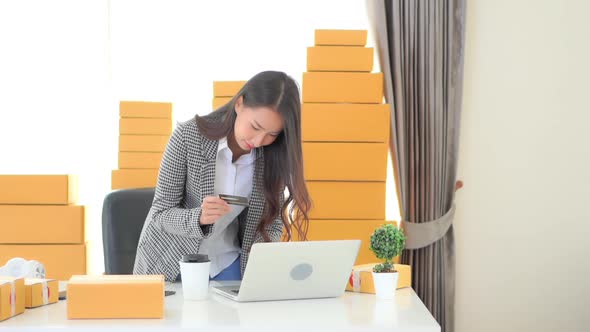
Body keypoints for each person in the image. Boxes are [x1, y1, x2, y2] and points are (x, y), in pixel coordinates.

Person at [133, 71, 311, 282]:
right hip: (171, 259)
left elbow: (271, 221)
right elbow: (160, 213)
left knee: (244, 312)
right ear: (239, 104)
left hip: (227, 260)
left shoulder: (271, 156)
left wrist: (262, 257)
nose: (259, 140)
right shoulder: (187, 137)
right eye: (255, 127)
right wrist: (198, 218)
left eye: (272, 134)